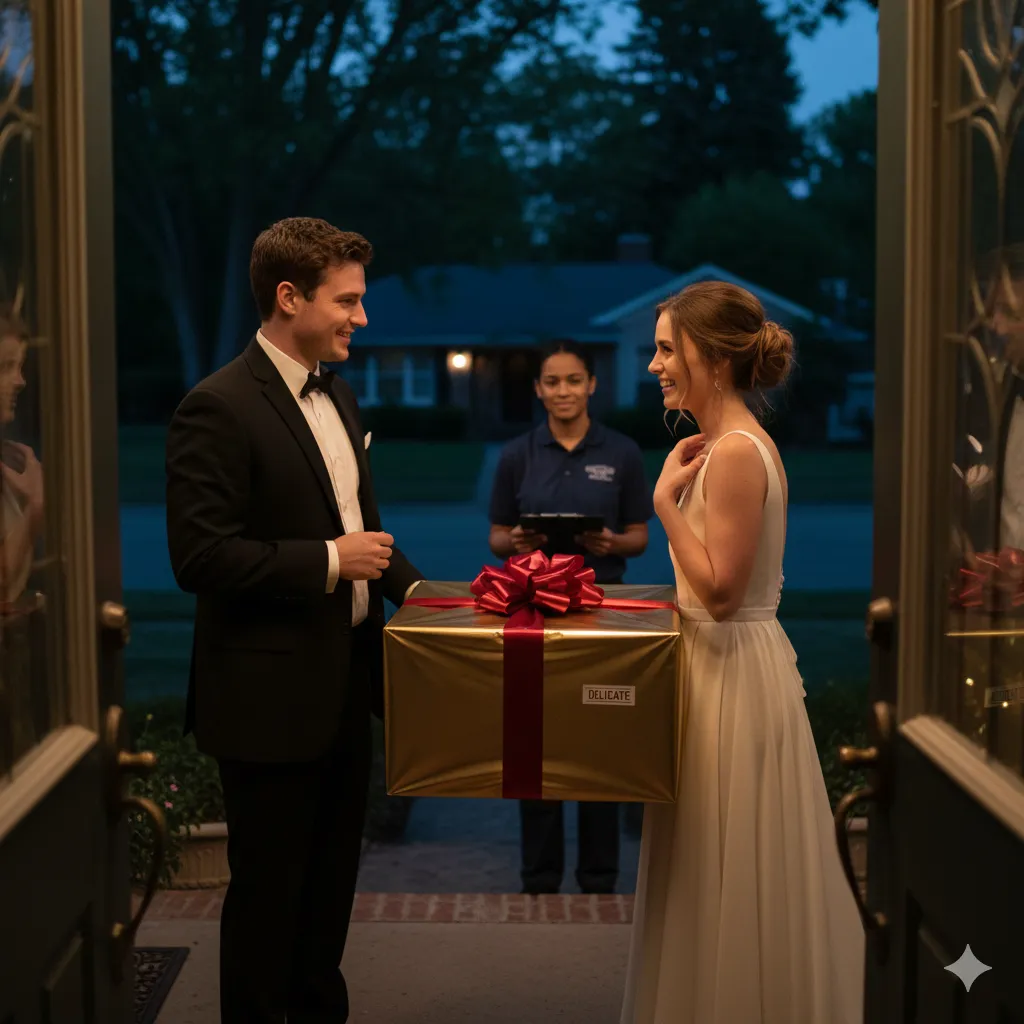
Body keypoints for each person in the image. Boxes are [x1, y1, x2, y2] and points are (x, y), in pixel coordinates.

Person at [165, 217, 423, 1024]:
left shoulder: (337, 392)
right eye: (347, 301)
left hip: (348, 684)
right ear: (289, 297)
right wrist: (325, 562)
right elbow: (200, 558)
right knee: (269, 901)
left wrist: (432, 596)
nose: (361, 317)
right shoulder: (216, 407)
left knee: (328, 894)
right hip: (267, 702)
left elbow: (364, 533)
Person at [620, 281, 864, 1023]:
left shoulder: (733, 455)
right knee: (709, 862)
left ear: (714, 358)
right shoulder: (725, 445)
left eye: (667, 349)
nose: (654, 365)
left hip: (730, 667)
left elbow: (722, 593)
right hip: (718, 664)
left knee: (724, 862)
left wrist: (663, 506)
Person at [488, 338, 653, 894]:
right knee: (536, 740)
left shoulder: (623, 452)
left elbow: (640, 537)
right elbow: (495, 536)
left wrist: (609, 543)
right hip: (533, 613)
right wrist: (513, 539)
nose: (564, 391)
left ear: (592, 384)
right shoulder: (517, 454)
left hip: (600, 609)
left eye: (574, 380)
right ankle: (538, 878)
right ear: (538, 389)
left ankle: (600, 878)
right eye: (553, 382)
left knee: (596, 742)